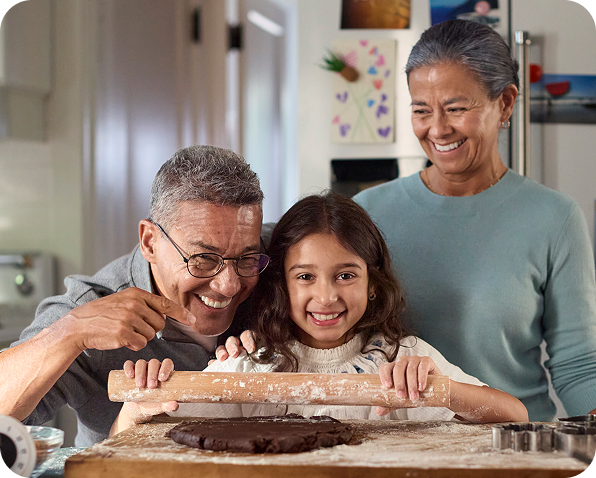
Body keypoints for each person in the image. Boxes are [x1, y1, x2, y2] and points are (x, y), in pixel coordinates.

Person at [111, 191, 527, 434]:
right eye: (305, 277)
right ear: (280, 285)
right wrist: (135, 405)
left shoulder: (403, 358)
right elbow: (136, 446)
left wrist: (443, 391)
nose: (326, 297)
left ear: (372, 280)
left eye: (346, 275)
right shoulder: (250, 364)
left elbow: (516, 417)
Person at [353, 19, 596, 421]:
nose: (438, 128)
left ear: (505, 103)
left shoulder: (557, 218)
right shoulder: (368, 212)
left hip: (513, 440)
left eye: (456, 109)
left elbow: (577, 363)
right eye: (421, 110)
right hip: (398, 442)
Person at [0, 145, 266, 446]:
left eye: (247, 258)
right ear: (149, 242)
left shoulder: (286, 261)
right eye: (204, 258)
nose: (229, 285)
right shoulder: (88, 309)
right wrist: (69, 333)